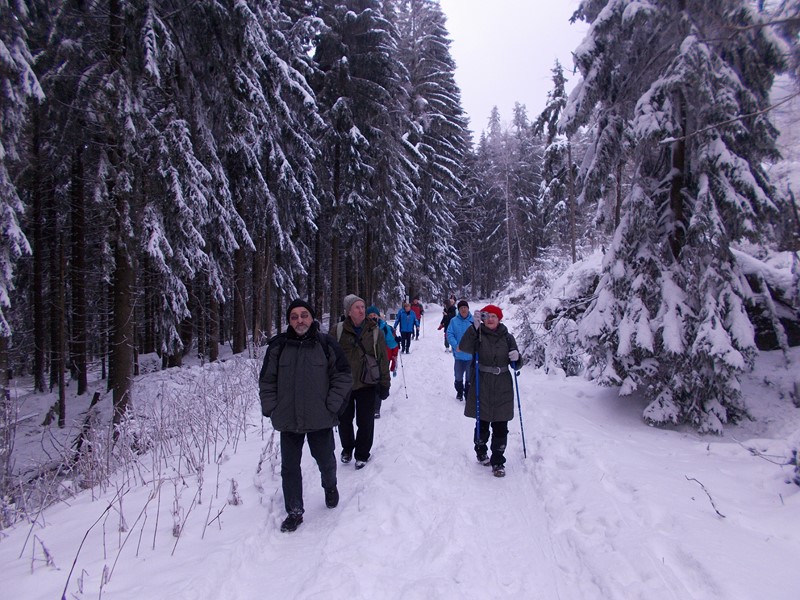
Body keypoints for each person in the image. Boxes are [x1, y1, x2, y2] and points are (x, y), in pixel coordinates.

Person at [259, 299, 353, 532]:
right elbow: (267, 380)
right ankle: (294, 511)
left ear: (312, 318)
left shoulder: (325, 344)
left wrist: (331, 405)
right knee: (290, 468)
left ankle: (330, 487)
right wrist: (271, 407)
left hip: (319, 417)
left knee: (325, 460)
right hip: (288, 419)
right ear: (289, 321)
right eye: (294, 317)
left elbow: (343, 376)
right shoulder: (278, 347)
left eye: (304, 315)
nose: (299, 320)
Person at [456, 304, 523, 478]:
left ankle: (498, 460)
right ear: (483, 319)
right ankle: (480, 449)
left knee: (501, 425)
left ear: (499, 319)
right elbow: (463, 347)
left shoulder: (508, 338)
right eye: (488, 316)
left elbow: (516, 364)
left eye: (494, 316)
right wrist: (473, 328)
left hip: (502, 386)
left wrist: (517, 358)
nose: (491, 319)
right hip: (482, 384)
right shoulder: (477, 335)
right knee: (483, 423)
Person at [334, 294, 390, 469]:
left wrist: (384, 383)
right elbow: (329, 359)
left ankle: (362, 453)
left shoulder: (374, 331)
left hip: (367, 383)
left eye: (362, 307)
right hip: (344, 384)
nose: (361, 310)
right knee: (344, 420)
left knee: (365, 421)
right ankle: (347, 449)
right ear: (349, 311)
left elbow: (382, 359)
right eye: (357, 307)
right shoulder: (337, 331)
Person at [366, 305, 399, 419]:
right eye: (370, 315)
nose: (372, 317)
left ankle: (376, 409)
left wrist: (395, 343)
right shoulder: (364, 327)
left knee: (378, 383)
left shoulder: (384, 327)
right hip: (367, 359)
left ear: (378, 316)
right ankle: (368, 406)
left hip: (381, 358)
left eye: (374, 315)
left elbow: (390, 341)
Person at [446, 300, 474, 401]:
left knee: (469, 378)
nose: (463, 309)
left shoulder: (474, 321)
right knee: (458, 377)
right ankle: (459, 391)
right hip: (459, 355)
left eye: (465, 307)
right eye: (461, 308)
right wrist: (455, 345)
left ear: (468, 308)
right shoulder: (454, 321)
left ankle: (468, 394)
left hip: (471, 356)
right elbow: (449, 334)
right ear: (458, 310)